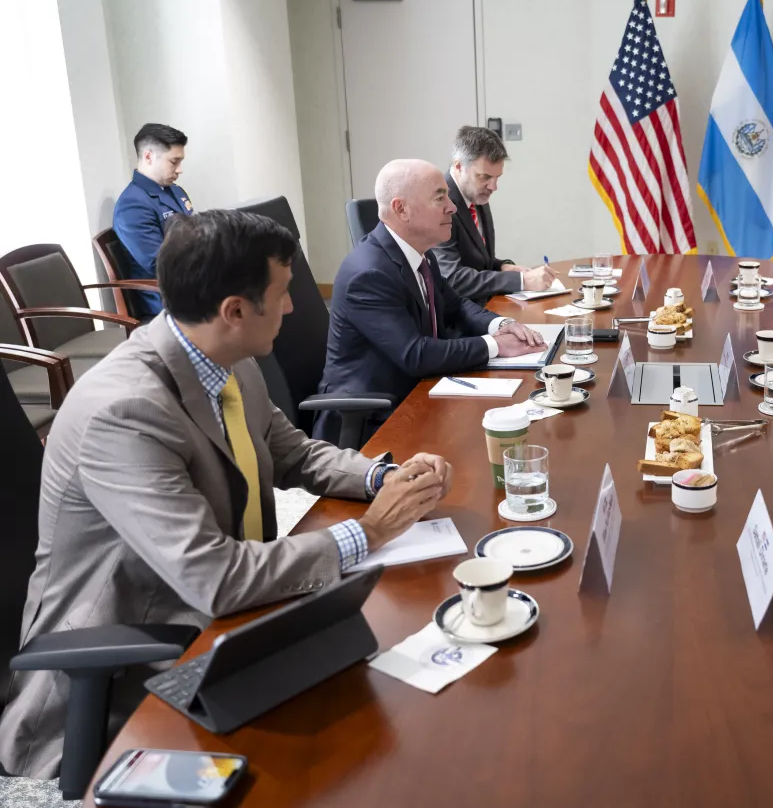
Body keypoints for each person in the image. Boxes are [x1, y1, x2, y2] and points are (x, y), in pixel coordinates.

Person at [0, 210, 452, 778]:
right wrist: (369, 531)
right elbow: (214, 577)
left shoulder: (224, 357)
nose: (293, 306)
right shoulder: (124, 413)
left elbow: (295, 452)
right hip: (129, 671)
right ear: (234, 311)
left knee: (378, 715)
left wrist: (384, 480)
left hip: (227, 625)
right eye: (284, 293)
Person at [316, 159, 546, 446]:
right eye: (440, 197)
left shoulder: (422, 255)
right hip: (373, 421)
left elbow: (456, 305)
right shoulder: (369, 274)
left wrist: (503, 324)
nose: (452, 207)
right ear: (401, 209)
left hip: (420, 392)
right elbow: (416, 355)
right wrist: (496, 345)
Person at [433, 126, 557, 302]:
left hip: (483, 305)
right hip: (457, 319)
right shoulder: (440, 203)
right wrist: (521, 281)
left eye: (497, 177)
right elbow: (453, 278)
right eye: (484, 177)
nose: (493, 187)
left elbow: (478, 261)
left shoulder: (476, 193)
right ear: (459, 166)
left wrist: (501, 267)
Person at [112, 123, 195, 317]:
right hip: (167, 295)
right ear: (149, 156)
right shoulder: (132, 204)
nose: (180, 170)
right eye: (174, 162)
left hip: (191, 281)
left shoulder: (175, 190)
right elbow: (159, 263)